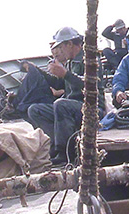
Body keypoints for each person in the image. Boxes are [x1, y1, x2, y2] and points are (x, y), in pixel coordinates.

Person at [24, 27, 104, 166]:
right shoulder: (72, 61)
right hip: (72, 108)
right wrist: (37, 71)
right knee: (35, 110)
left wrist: (65, 74)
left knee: (61, 104)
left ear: (70, 44)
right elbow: (60, 83)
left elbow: (91, 84)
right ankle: (54, 147)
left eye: (61, 47)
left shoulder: (90, 58)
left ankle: (65, 151)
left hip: (92, 108)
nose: (59, 51)